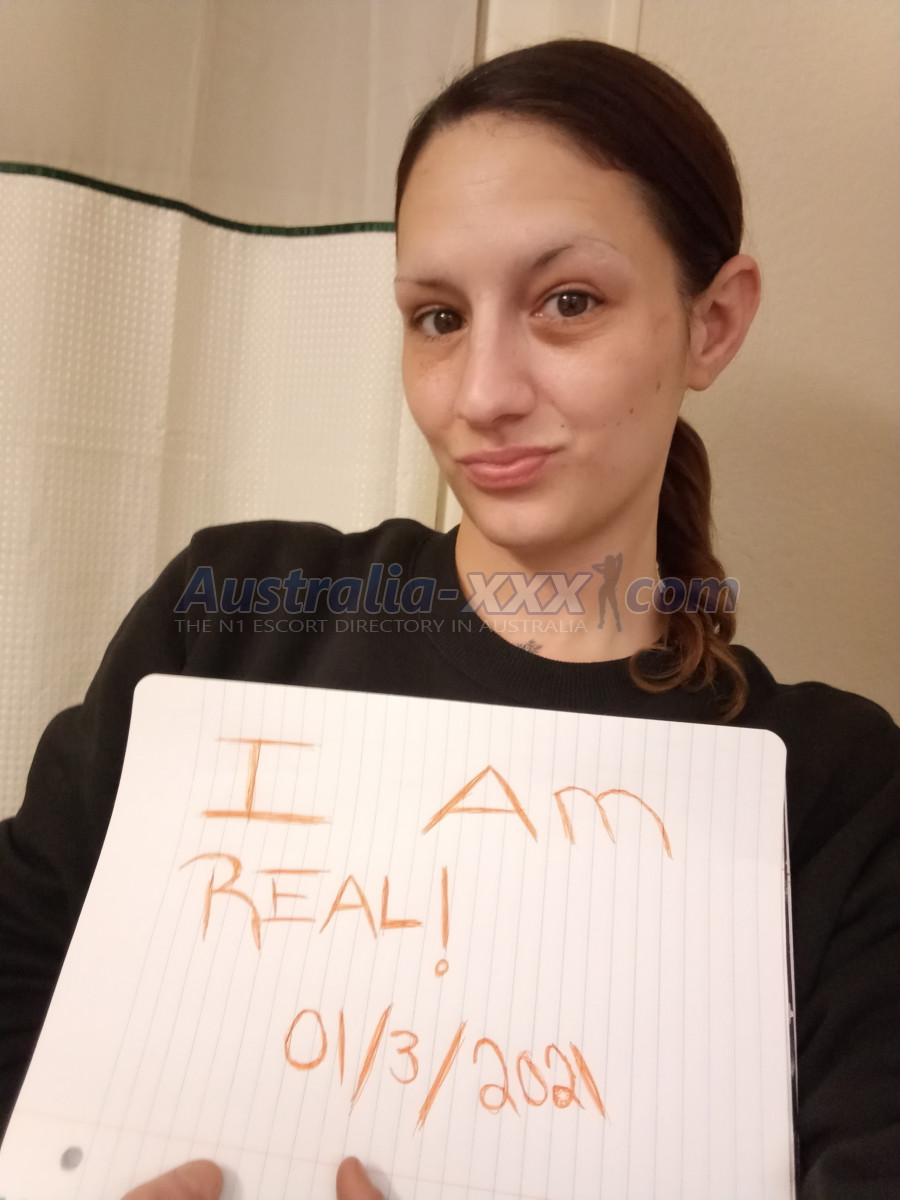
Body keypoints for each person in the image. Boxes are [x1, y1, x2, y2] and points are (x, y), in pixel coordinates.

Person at [1, 38, 897, 1200]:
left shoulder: (835, 793)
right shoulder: (234, 620)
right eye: (436, 317)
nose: (480, 394)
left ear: (712, 323)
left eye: (567, 302)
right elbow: (23, 959)